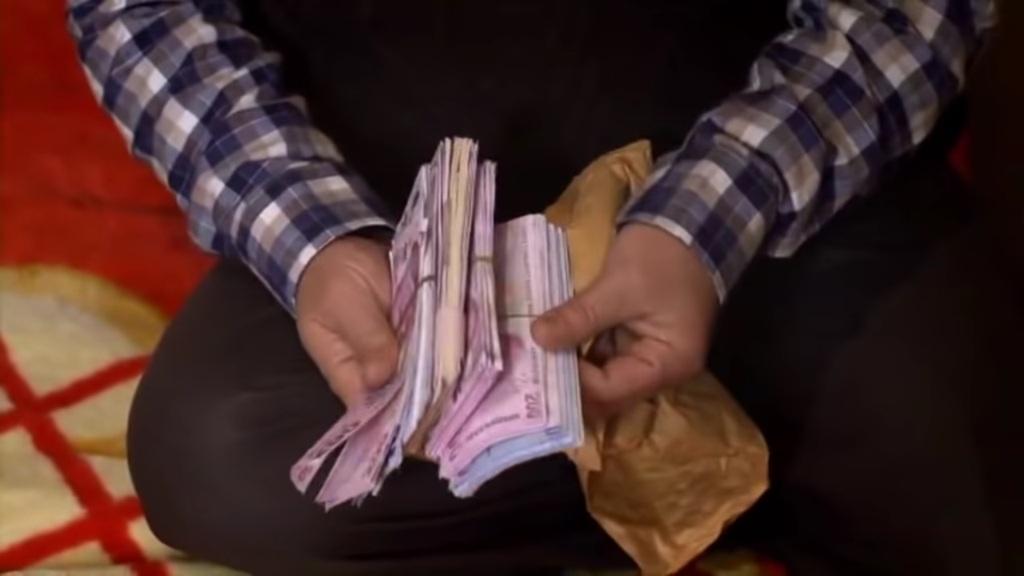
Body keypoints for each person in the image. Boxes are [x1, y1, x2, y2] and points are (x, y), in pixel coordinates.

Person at [67, 1, 1008, 574]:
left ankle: (705, 472)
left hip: (784, 197)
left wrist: (708, 216)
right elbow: (143, 12)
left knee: (965, 452)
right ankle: (696, 481)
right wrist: (312, 238)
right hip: (388, 217)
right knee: (221, 462)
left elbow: (908, 13)